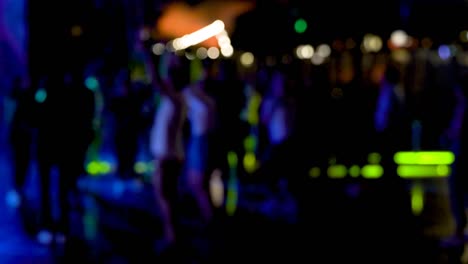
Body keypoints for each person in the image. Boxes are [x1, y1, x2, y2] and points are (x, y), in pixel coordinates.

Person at [149, 51, 187, 251]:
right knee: (166, 196)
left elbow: (156, 81)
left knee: (166, 197)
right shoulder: (174, 99)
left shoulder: (175, 99)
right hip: (167, 156)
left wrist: (147, 56)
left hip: (168, 157)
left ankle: (172, 238)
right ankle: (171, 235)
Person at [182, 59, 216, 225]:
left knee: (200, 183)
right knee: (194, 181)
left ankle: (210, 221)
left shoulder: (207, 92)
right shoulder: (191, 92)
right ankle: (206, 218)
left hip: (204, 139)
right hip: (197, 139)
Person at [6, 76, 36, 209]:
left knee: (21, 161)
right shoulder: (17, 98)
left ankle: (19, 183)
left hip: (22, 136)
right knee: (20, 161)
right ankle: (19, 184)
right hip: (19, 136)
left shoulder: (24, 98)